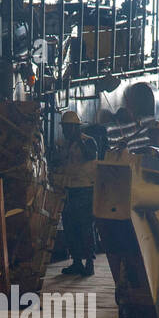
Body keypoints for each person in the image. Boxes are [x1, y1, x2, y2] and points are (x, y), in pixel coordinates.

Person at [52, 111, 99, 277]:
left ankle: (89, 263)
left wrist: (78, 139)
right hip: (69, 190)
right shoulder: (65, 144)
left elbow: (90, 156)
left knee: (85, 227)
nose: (64, 131)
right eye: (63, 128)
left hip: (85, 189)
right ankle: (77, 262)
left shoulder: (88, 142)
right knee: (70, 227)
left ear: (74, 127)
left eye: (66, 128)